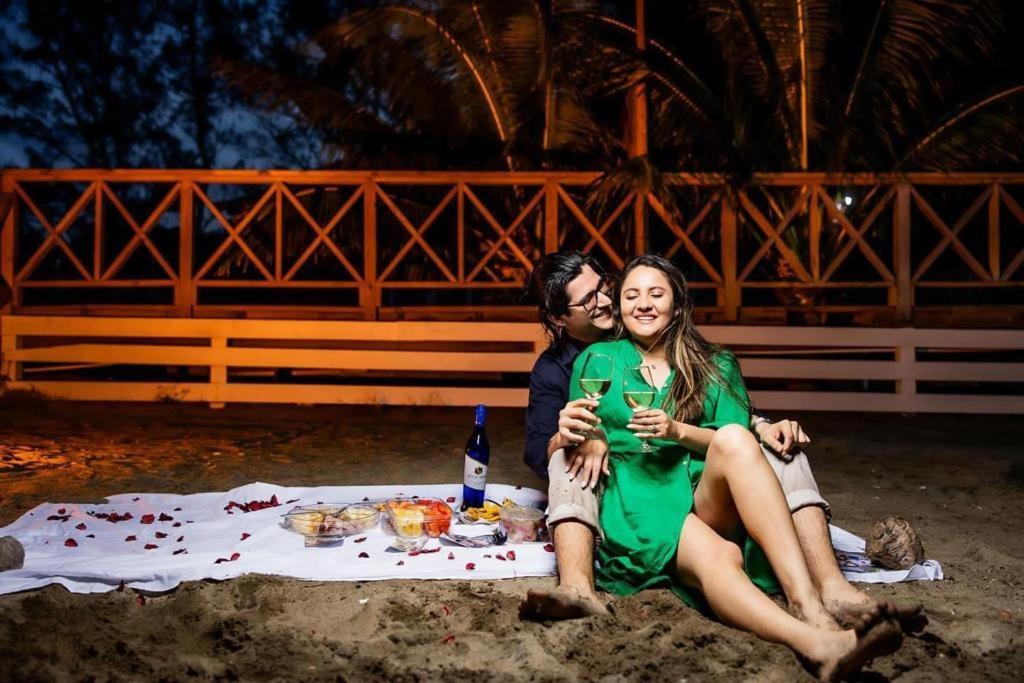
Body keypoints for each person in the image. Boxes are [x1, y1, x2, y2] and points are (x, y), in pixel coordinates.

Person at [540, 253, 906, 678]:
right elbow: (589, 426)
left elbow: (738, 442)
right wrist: (584, 433)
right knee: (719, 558)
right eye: (631, 295)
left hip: (706, 491)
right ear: (619, 305)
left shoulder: (716, 363)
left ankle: (809, 605)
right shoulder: (598, 360)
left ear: (677, 304)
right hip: (640, 499)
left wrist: (677, 431)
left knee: (735, 437)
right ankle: (821, 645)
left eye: (656, 293)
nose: (643, 303)